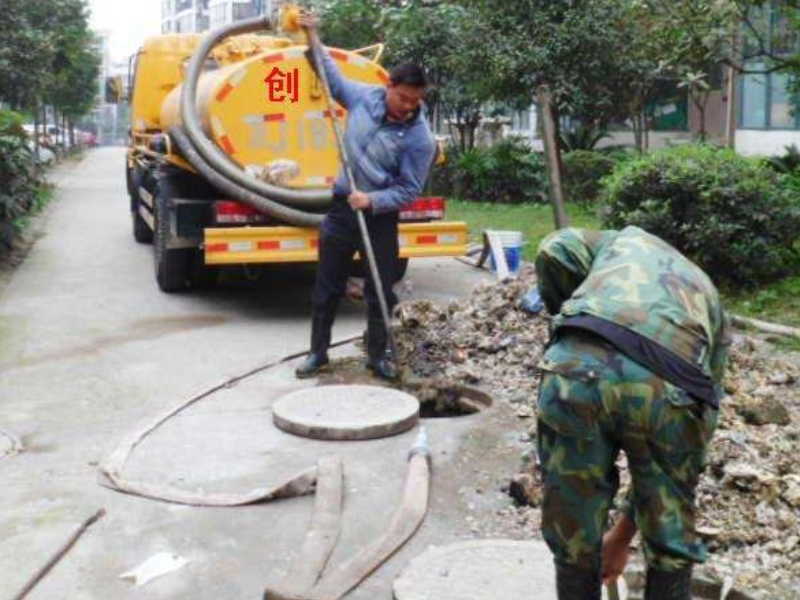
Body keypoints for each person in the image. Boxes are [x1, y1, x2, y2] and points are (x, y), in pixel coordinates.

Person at [533, 226, 730, 600]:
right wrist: (627, 532)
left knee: (572, 529)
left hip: (573, 370)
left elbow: (552, 249)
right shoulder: (705, 292)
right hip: (671, 384)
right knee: (670, 539)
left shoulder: (608, 241)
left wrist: (565, 314)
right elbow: (706, 406)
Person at [295, 11, 436, 380]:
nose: (408, 106)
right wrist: (312, 34)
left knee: (379, 290)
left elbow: (409, 189)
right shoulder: (363, 98)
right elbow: (330, 75)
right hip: (342, 210)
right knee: (327, 286)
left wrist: (373, 201)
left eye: (415, 101)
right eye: (403, 97)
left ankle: (377, 356)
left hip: (379, 219)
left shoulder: (420, 139)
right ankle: (317, 353)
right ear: (389, 86)